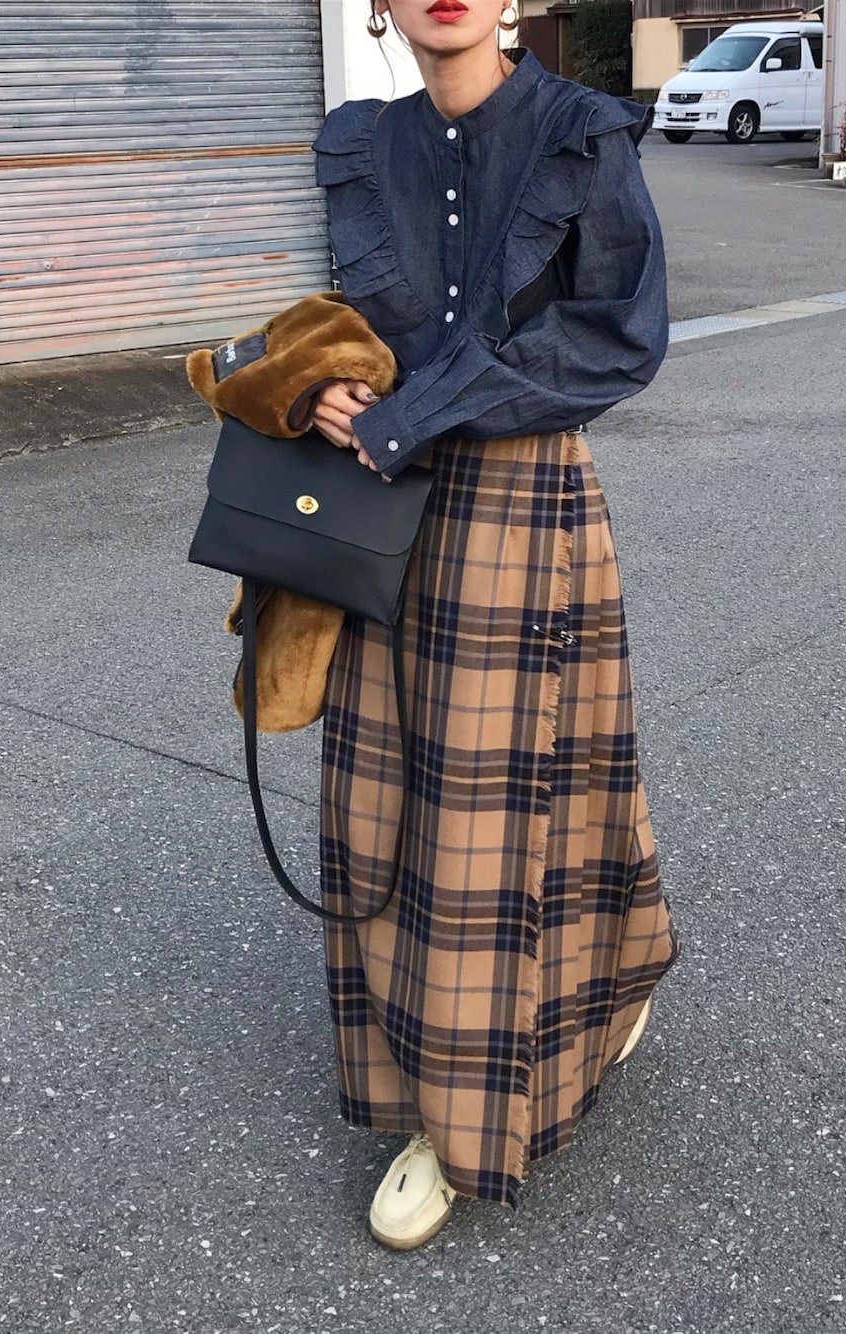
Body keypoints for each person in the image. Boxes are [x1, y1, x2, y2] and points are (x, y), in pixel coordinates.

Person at [308, 0, 680, 1250]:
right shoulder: (360, 143)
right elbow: (314, 322)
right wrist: (321, 389)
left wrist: (417, 411)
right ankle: (601, 979)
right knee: (385, 798)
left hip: (519, 498)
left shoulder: (579, 131)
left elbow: (617, 337)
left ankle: (457, 1119)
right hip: (378, 500)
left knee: (490, 804)